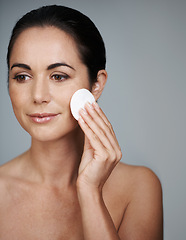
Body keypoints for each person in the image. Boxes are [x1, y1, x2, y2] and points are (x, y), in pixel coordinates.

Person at [0, 5, 163, 240]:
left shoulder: (138, 187)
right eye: (22, 77)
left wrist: (90, 192)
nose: (38, 95)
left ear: (96, 85)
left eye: (58, 76)